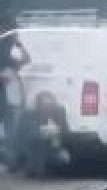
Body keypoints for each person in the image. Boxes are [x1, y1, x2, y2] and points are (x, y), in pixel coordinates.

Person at [10, 91, 70, 178]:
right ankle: (34, 167)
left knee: (61, 161)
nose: (47, 108)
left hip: (53, 144)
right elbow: (29, 134)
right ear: (39, 105)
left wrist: (57, 134)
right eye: (45, 105)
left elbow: (65, 130)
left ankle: (48, 165)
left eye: (50, 105)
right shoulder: (29, 114)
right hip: (31, 146)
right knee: (39, 144)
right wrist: (45, 131)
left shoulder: (59, 111)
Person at [0, 15, 30, 153]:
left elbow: (26, 59)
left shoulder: (7, 55)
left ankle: (10, 154)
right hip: (5, 96)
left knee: (10, 125)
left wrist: (20, 44)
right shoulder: (4, 49)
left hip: (5, 98)